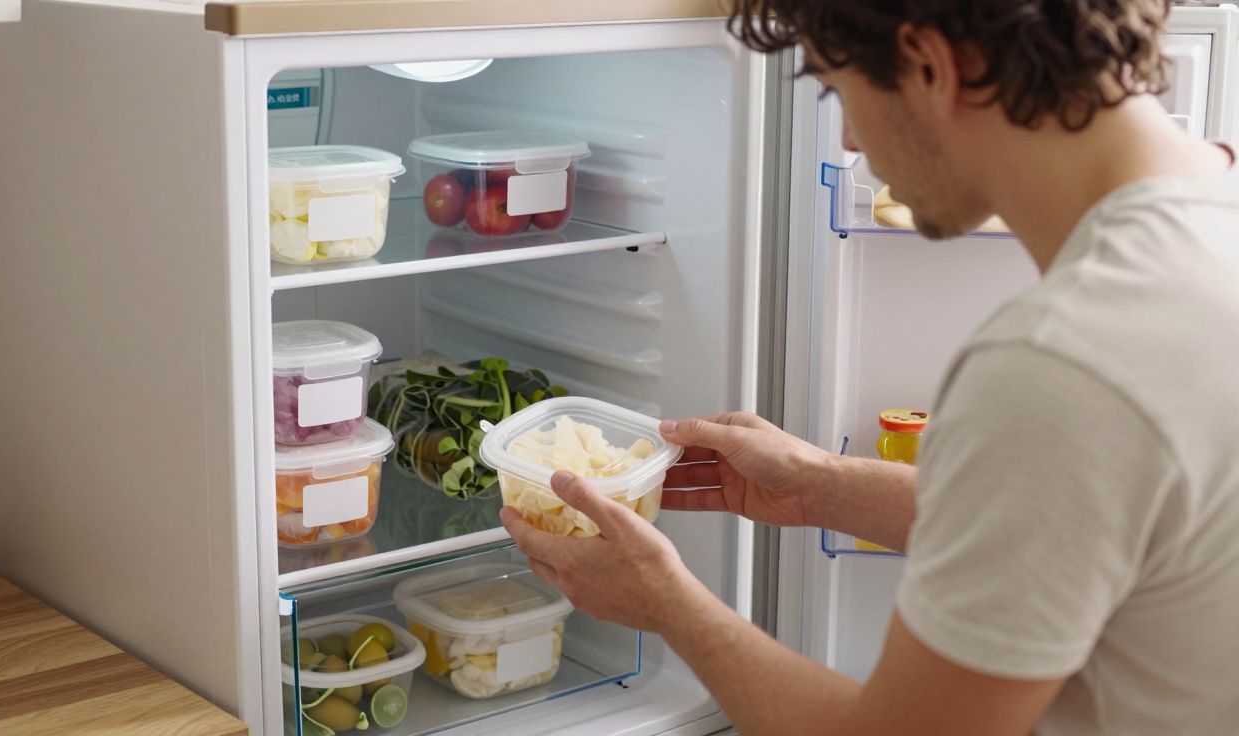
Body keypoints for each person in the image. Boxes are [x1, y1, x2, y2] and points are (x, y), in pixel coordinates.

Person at [500, 1, 1239, 733]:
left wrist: (668, 603)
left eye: (841, 91)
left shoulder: (1061, 364)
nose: (849, 140)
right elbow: (1086, 519)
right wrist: (819, 485)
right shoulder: (1210, 225)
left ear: (930, 66)